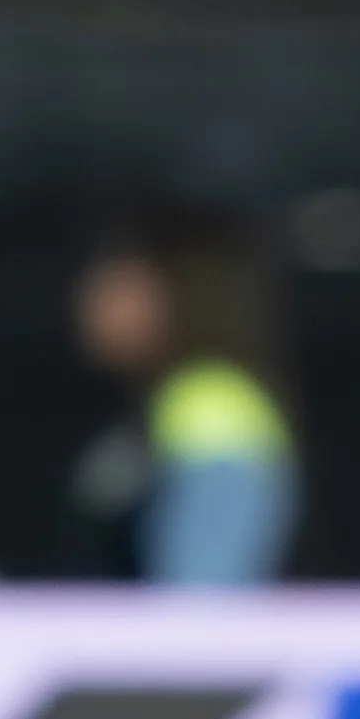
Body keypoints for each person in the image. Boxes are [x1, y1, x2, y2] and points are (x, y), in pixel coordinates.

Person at [72, 211, 300, 587]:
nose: (91, 298)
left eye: (120, 281)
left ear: (177, 290)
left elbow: (204, 594)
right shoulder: (177, 400)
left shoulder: (213, 406)